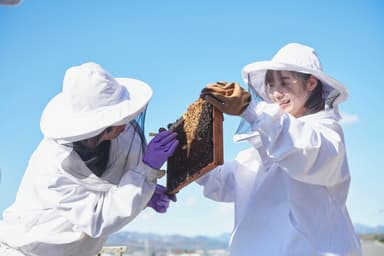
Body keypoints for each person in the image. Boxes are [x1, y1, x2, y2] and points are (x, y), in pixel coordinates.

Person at [198, 43, 362, 255]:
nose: (276, 93)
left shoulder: (326, 134)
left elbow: (302, 151)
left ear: (311, 83)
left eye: (284, 82)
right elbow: (225, 185)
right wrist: (192, 156)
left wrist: (250, 109)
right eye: (271, 85)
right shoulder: (261, 147)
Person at [0, 62, 179, 256]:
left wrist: (144, 193)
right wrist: (145, 173)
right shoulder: (51, 164)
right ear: (96, 127)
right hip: (28, 251)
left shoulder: (121, 136)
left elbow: (112, 187)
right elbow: (98, 218)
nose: (125, 125)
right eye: (118, 119)